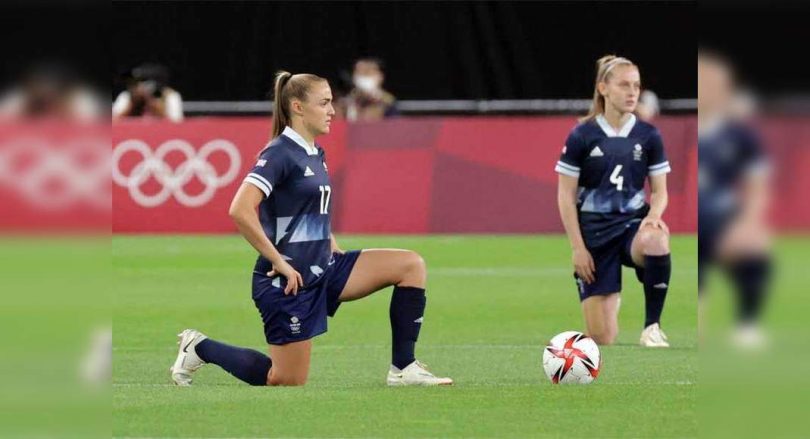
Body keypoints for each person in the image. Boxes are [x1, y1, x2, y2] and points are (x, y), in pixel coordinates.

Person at [169, 71, 452, 386]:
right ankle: (200, 347)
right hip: (289, 281)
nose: (332, 110)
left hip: (324, 267)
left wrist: (330, 241)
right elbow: (240, 209)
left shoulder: (315, 151)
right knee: (286, 378)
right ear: (298, 107)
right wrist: (278, 261)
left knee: (410, 265)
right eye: (324, 103)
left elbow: (310, 207)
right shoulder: (279, 153)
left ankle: (403, 368)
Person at [555, 55, 673, 347]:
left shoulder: (648, 135)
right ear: (603, 88)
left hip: (632, 226)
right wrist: (578, 249)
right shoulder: (582, 135)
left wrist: (653, 216)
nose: (633, 92)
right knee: (602, 338)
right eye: (624, 85)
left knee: (656, 239)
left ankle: (652, 327)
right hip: (595, 236)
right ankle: (609, 295)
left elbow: (660, 191)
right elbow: (565, 196)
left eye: (636, 86)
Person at [697, 50, 771, 348]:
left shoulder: (740, 134)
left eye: (715, 84)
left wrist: (748, 224)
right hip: (695, 225)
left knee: (756, 247)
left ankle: (747, 324)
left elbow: (758, 184)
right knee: (698, 335)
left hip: (725, 219)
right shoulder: (674, 135)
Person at [112, 63, 183, 122]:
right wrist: (133, 104)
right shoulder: (127, 96)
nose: (143, 87)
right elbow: (113, 121)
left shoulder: (170, 95)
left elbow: (177, 123)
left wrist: (153, 103)